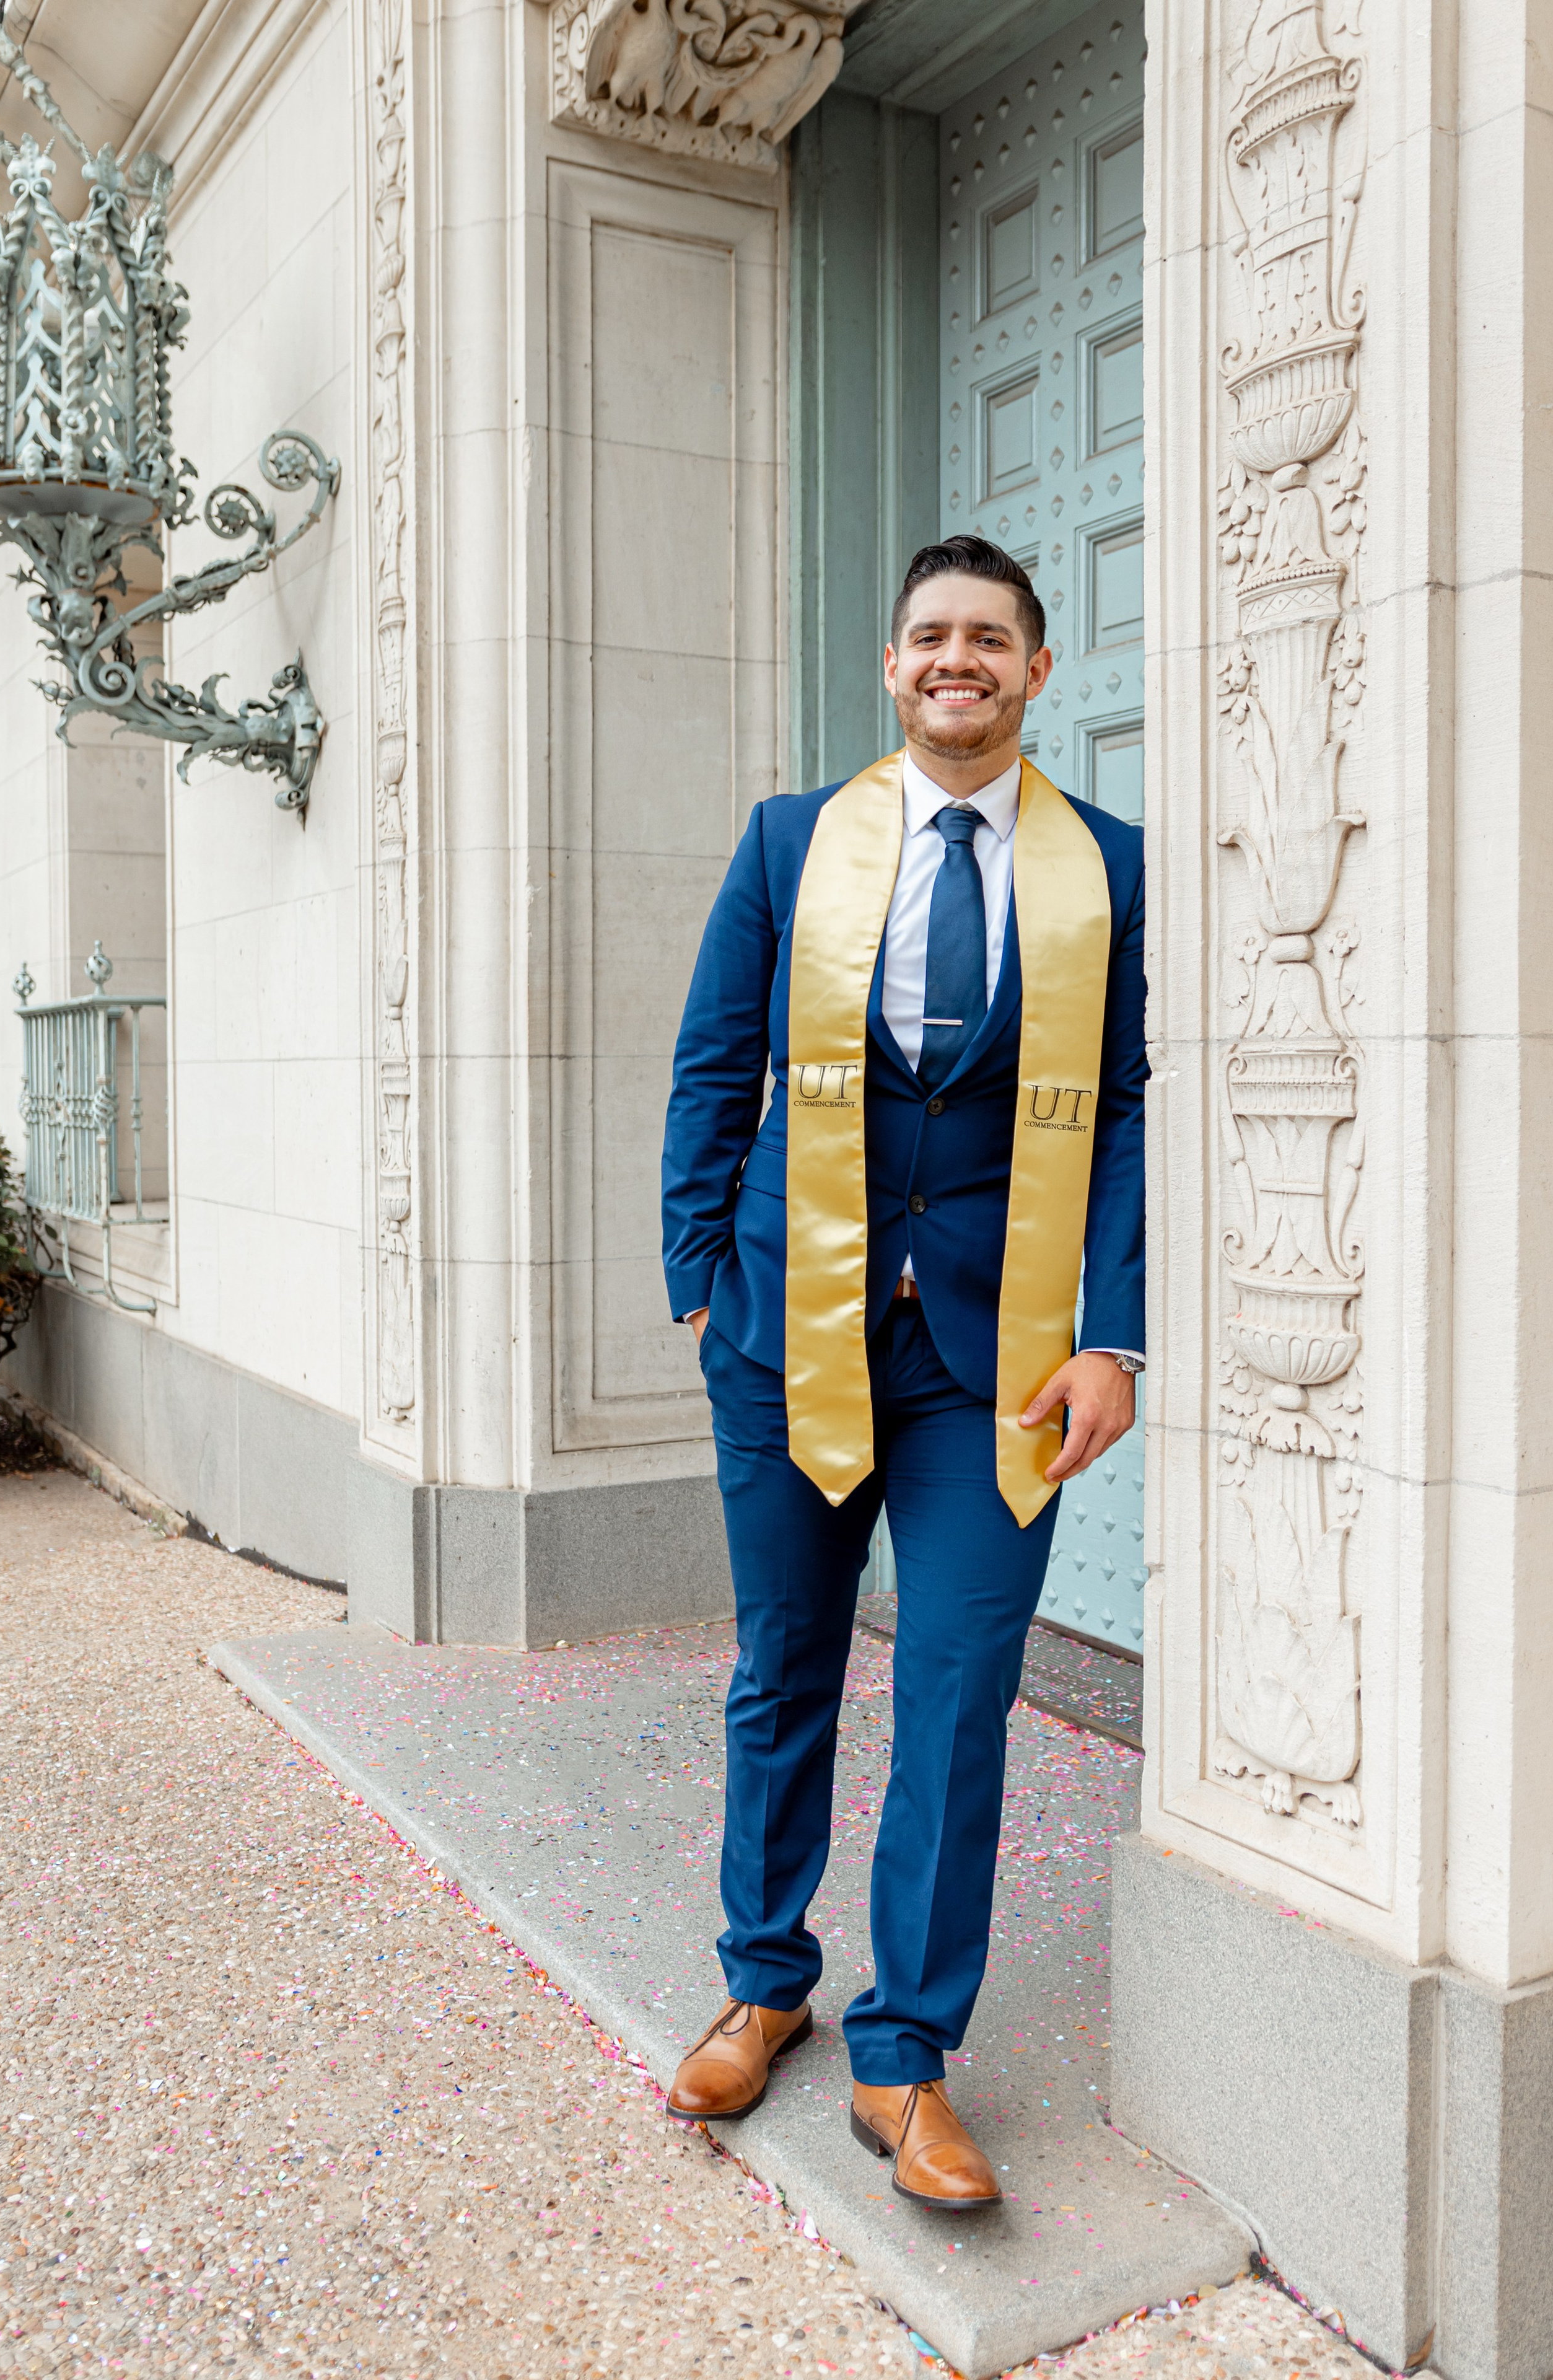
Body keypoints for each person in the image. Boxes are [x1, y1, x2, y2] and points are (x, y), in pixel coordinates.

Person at [658, 535, 1145, 2210]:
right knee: (785, 1665)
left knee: (957, 1691)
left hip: (992, 1366)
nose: (962, 660)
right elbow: (715, 1060)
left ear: (1036, 672)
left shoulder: (1108, 872)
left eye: (992, 639)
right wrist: (698, 1280)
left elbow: (1133, 1106)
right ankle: (763, 1976)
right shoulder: (794, 843)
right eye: (934, 635)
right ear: (892, 666)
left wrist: (1113, 1329)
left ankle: (905, 2052)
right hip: (789, 1330)